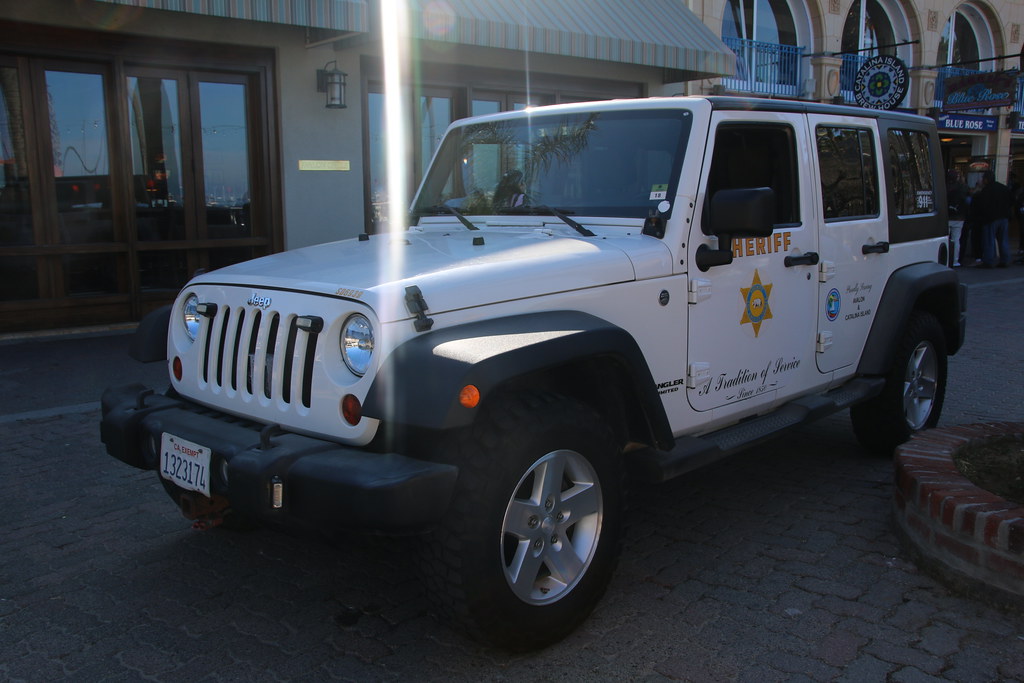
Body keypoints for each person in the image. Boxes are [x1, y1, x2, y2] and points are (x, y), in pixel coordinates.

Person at [971, 170, 1013, 268]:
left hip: (991, 218)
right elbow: (1012, 200)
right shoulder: (1003, 188)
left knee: (989, 240)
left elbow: (982, 205)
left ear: (986, 179)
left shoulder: (986, 190)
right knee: (1003, 240)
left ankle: (989, 260)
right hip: (1004, 217)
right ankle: (1005, 259)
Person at [946, 169, 968, 266]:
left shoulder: (945, 187)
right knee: (956, 239)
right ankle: (955, 260)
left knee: (946, 238)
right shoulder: (962, 188)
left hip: (947, 216)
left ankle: (946, 258)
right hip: (958, 217)